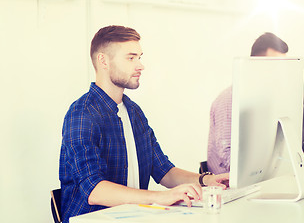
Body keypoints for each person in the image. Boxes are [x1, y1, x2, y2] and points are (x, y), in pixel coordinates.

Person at [59, 25, 229, 223]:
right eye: (131, 58)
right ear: (103, 61)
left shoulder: (133, 112)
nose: (140, 65)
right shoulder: (82, 114)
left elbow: (163, 171)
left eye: (139, 57)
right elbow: (94, 190)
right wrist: (160, 198)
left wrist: (206, 181)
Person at [207, 32, 304, 175]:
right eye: (274, 64)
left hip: (265, 181)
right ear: (255, 64)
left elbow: (272, 147)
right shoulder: (229, 99)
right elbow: (230, 161)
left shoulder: (271, 97)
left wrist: (298, 153)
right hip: (229, 189)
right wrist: (291, 161)